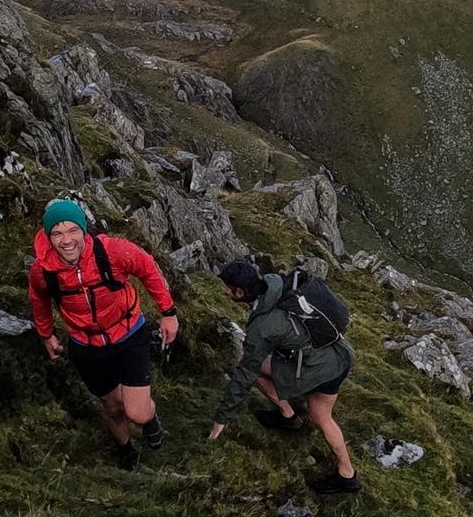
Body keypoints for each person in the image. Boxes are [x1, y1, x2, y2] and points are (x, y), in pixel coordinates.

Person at [28, 198, 179, 471]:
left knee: (136, 411)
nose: (66, 240)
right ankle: (126, 451)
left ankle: (150, 418)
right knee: (112, 407)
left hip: (129, 335)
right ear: (49, 237)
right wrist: (46, 334)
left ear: (84, 230)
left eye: (73, 230)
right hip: (87, 347)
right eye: (57, 233)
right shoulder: (43, 270)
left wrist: (168, 312)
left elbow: (147, 268)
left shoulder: (112, 251)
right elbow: (38, 299)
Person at [207, 259, 359, 494]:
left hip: (321, 367)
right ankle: (289, 417)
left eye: (227, 289)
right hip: (338, 353)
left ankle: (346, 475)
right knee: (322, 416)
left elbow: (245, 374)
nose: (224, 292)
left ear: (239, 292)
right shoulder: (276, 282)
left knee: (318, 415)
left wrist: (221, 421)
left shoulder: (261, 328)